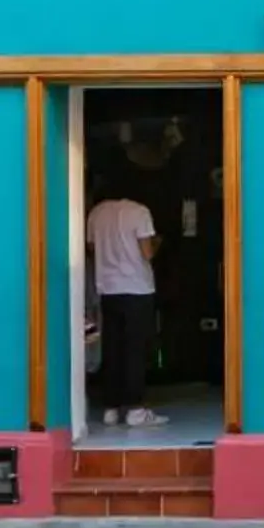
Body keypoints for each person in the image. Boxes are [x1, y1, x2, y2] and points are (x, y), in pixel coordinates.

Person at [85, 175, 161, 428]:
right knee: (136, 349)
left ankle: (111, 408)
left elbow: (93, 249)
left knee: (113, 348)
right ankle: (136, 409)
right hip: (137, 288)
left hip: (108, 288)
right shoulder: (139, 211)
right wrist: (158, 242)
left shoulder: (96, 213)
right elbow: (147, 253)